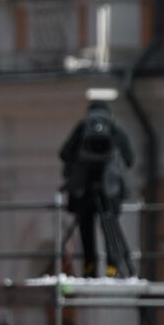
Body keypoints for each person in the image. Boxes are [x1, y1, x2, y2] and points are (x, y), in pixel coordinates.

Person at [59, 97, 136, 277]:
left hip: (83, 192)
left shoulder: (82, 130)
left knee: (87, 232)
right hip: (109, 191)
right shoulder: (115, 132)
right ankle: (112, 268)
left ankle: (90, 268)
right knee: (109, 228)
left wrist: (81, 158)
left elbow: (64, 153)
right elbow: (129, 159)